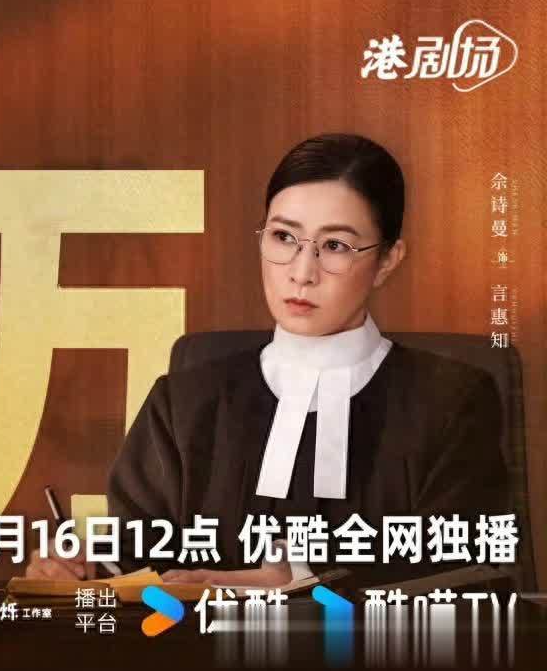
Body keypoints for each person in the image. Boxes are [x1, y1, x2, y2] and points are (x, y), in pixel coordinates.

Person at [26, 133, 509, 589]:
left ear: (387, 260)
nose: (302, 272)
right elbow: (135, 560)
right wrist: (83, 569)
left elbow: (466, 575)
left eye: (335, 246)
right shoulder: (184, 403)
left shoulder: (451, 401)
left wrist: (295, 583)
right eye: (283, 237)